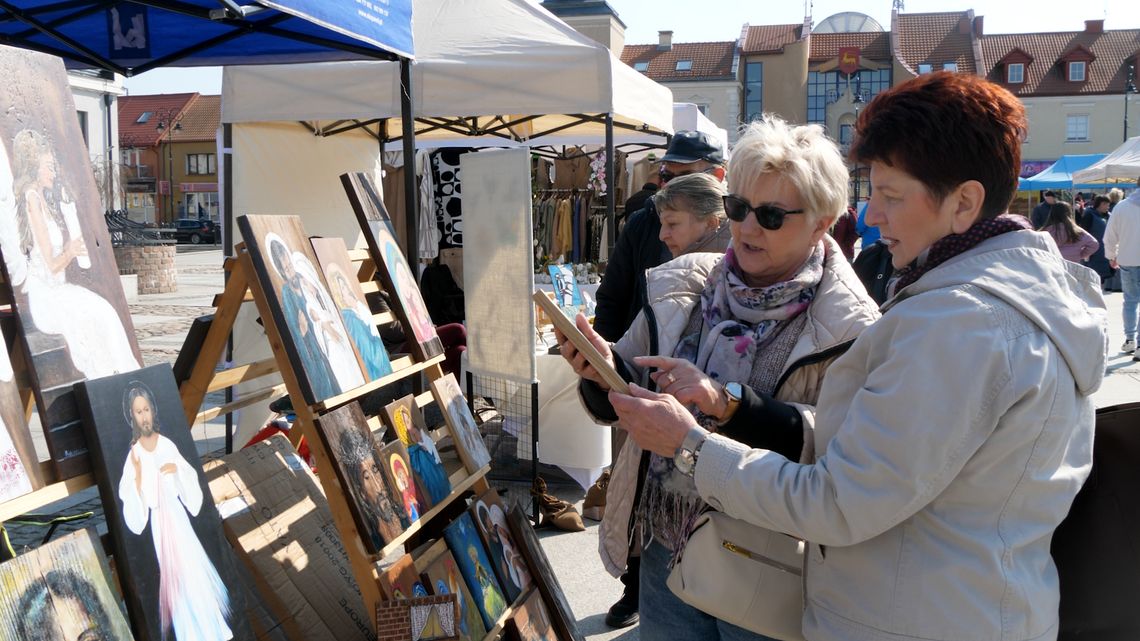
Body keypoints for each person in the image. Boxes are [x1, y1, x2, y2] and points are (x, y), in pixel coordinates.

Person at [600, 71, 1107, 641]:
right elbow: (880, 459)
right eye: (740, 207)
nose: (873, 217)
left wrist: (690, 446)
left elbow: (840, 498)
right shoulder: (977, 309)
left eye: (890, 197)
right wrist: (730, 404)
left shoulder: (961, 325)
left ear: (964, 202)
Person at [560, 115, 879, 640]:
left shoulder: (853, 326)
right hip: (669, 547)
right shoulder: (684, 284)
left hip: (771, 563)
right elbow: (626, 384)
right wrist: (599, 369)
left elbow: (842, 452)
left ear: (822, 222)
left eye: (772, 215)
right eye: (739, 208)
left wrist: (727, 403)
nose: (749, 228)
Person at [591, 129, 727, 628]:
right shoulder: (644, 222)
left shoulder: (745, 244)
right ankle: (637, 589)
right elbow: (614, 291)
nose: (665, 180)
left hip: (703, 416)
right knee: (638, 493)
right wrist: (605, 362)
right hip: (638, 377)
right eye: (664, 172)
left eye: (678, 173)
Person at [3, 130, 141, 379]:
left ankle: (124, 378)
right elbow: (51, 266)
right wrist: (70, 251)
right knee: (99, 314)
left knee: (106, 313)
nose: (53, 172)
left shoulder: (42, 200)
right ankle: (111, 380)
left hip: (58, 290)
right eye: (48, 166)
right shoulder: (31, 200)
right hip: (47, 297)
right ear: (34, 166)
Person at [118, 382, 234, 641]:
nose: (144, 416)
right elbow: (131, 500)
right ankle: (191, 633)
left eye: (146, 409)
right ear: (132, 416)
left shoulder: (166, 444)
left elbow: (189, 480)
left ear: (153, 411)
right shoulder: (135, 454)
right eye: (138, 411)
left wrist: (176, 470)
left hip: (179, 520)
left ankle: (214, 628)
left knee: (194, 570)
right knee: (176, 580)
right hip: (161, 524)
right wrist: (138, 479)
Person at [594, 130, 727, 343]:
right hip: (639, 364)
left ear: (717, 176)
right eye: (666, 176)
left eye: (685, 176)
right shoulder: (642, 222)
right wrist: (605, 365)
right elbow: (612, 299)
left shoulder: (743, 230)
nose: (672, 185)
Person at [337, 427, 407, 548]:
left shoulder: (406, 517)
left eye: (375, 470)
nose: (377, 485)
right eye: (366, 477)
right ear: (361, 493)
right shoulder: (375, 541)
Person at [1103, 177, 1140, 356]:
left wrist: (1111, 255)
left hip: (1128, 259)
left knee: (1130, 301)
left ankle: (1130, 339)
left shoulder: (1122, 206)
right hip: (1129, 259)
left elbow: (1110, 235)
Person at [653, 173, 731, 258]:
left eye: (672, 224)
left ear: (710, 223)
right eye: (662, 224)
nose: (662, 236)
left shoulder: (735, 267)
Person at [1078, 196, 1114, 284]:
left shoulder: (1109, 215)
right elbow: (1084, 232)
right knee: (1093, 276)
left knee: (1103, 276)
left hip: (1106, 251)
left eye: (1108, 205)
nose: (1107, 207)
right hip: (1093, 251)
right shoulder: (1089, 214)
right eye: (1104, 204)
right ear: (1098, 204)